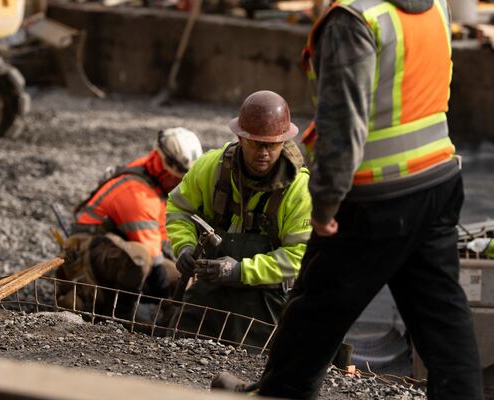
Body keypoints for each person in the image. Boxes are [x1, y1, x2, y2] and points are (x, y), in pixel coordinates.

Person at [214, 0, 483, 398]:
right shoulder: (433, 5)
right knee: (442, 317)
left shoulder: (355, 19)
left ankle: (279, 394)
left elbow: (343, 125)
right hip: (437, 179)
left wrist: (325, 200)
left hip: (376, 193)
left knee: (317, 304)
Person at [166, 90, 312, 350]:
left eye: (272, 144)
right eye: (256, 143)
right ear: (240, 137)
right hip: (210, 289)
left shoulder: (299, 191)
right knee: (176, 344)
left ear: (284, 141)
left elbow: (300, 257)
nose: (264, 153)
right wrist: (184, 247)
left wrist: (240, 271)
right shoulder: (211, 167)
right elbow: (179, 209)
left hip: (266, 299)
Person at [56, 127, 203, 318]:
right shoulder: (137, 193)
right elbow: (153, 257)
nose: (181, 185)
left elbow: (161, 240)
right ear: (168, 167)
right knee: (138, 257)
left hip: (112, 248)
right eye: (181, 178)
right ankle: (119, 315)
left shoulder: (150, 174)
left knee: (181, 277)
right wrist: (163, 298)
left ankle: (147, 310)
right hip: (86, 252)